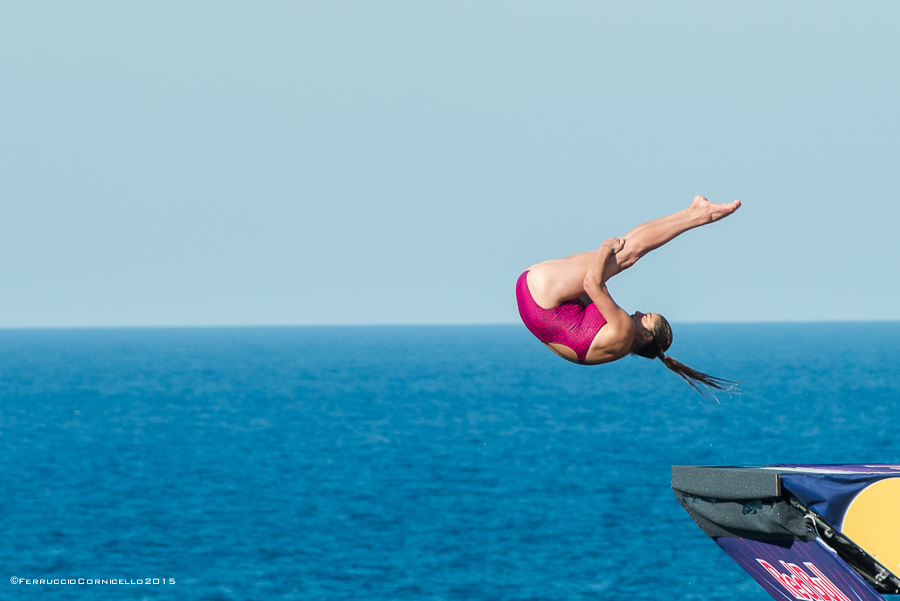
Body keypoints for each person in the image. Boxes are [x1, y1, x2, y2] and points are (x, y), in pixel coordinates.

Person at [516, 195, 740, 395]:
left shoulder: (625, 330)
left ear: (647, 336)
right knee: (625, 250)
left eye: (647, 317)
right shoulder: (618, 346)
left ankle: (701, 214)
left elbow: (591, 284)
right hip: (533, 296)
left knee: (626, 255)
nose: (640, 312)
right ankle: (693, 212)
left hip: (541, 293)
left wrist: (604, 251)